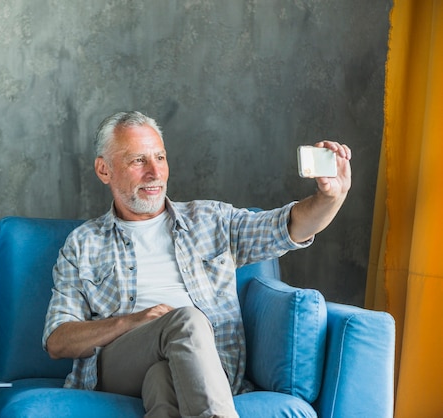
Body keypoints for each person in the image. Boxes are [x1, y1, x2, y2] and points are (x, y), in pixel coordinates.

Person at [43, 111, 351, 418]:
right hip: (121, 366)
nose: (155, 172)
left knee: (162, 382)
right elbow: (58, 340)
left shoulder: (211, 220)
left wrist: (331, 197)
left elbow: (289, 227)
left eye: (160, 158)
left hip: (206, 366)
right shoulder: (83, 242)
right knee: (187, 320)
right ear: (104, 170)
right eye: (138, 161)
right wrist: (132, 322)